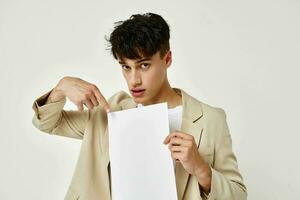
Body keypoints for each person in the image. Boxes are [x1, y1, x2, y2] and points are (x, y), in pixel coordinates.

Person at [32, 13, 247, 200]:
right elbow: (48, 124)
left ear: (167, 58)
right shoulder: (109, 112)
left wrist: (201, 169)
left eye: (144, 65)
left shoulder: (210, 119)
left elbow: (238, 196)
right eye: (126, 67)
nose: (133, 80)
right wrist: (60, 88)